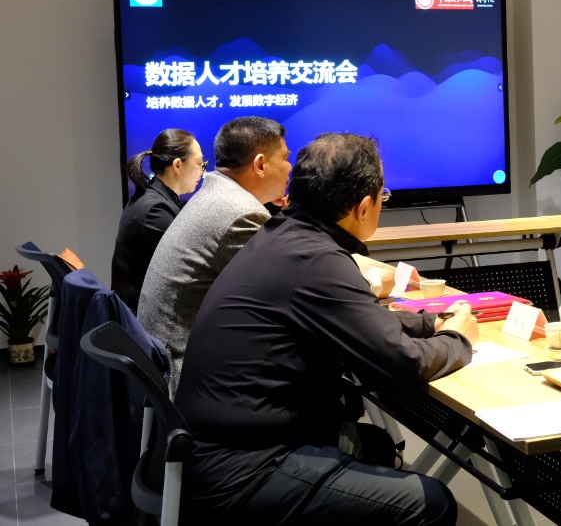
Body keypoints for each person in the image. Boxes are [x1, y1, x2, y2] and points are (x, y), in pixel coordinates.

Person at [177, 132, 477, 526]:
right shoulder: (318, 260)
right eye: (383, 197)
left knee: (376, 444)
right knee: (432, 503)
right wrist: (458, 339)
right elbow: (403, 365)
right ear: (363, 207)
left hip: (214, 450)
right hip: (243, 473)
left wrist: (428, 323)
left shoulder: (284, 237)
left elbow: (353, 319)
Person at [138, 116, 291, 396]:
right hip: (182, 375)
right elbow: (287, 291)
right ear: (260, 164)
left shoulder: (216, 192)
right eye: (285, 157)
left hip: (159, 361)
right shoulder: (242, 214)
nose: (290, 167)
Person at [111, 129, 205, 312]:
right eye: (200, 163)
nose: (202, 171)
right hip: (143, 321)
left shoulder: (152, 197)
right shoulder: (156, 211)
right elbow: (189, 272)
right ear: (177, 165)